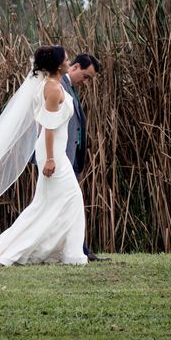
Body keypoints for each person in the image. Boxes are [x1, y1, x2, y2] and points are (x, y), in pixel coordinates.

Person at [0, 45, 87, 266]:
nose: (70, 62)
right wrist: (49, 158)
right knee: (69, 198)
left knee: (49, 202)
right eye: (67, 60)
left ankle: (59, 250)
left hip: (52, 150)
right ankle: (63, 253)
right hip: (53, 153)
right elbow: (47, 126)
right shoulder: (54, 89)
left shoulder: (51, 85)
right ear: (59, 65)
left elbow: (42, 125)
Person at [60, 53, 111, 261]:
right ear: (76, 67)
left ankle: (78, 250)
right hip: (60, 158)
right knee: (73, 205)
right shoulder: (58, 86)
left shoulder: (69, 88)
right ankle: (83, 251)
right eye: (86, 76)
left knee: (68, 206)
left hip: (70, 159)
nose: (86, 82)